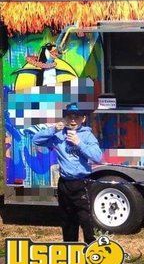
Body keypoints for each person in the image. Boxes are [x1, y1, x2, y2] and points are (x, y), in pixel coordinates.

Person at [33, 102, 103, 244]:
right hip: (64, 183)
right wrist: (53, 129)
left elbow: (98, 157)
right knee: (67, 219)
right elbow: (36, 140)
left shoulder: (87, 135)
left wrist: (79, 143)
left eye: (77, 117)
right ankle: (71, 250)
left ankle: (93, 250)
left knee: (85, 218)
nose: (73, 120)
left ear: (83, 119)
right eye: (70, 116)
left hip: (81, 182)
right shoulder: (58, 135)